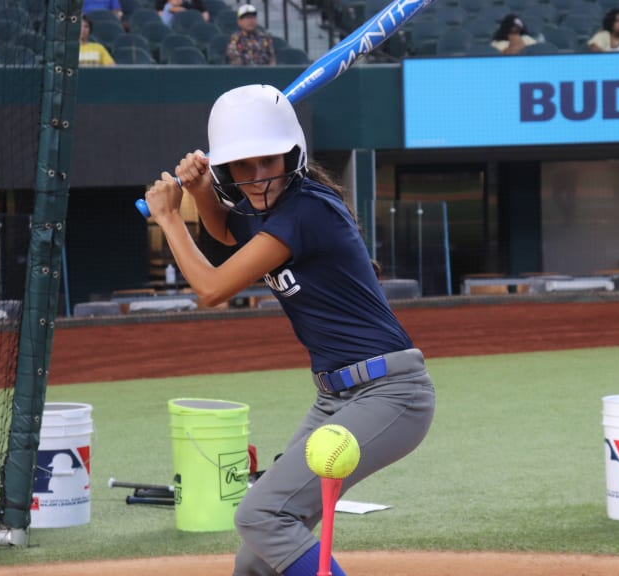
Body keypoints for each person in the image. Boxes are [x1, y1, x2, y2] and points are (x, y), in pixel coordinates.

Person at [143, 84, 435, 576]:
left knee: (261, 516)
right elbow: (229, 232)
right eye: (242, 166)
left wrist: (169, 218)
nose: (257, 179)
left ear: (292, 155)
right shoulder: (276, 210)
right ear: (228, 170)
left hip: (390, 393)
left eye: (268, 162)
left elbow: (212, 289)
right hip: (335, 398)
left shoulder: (305, 210)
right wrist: (197, 192)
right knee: (257, 555)